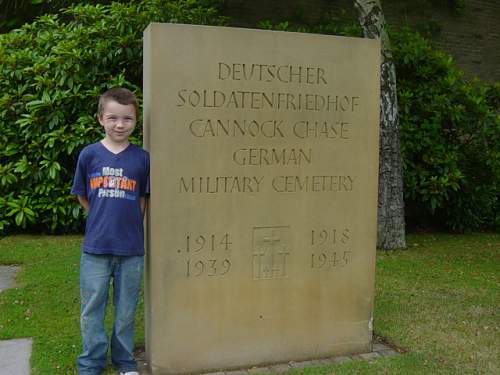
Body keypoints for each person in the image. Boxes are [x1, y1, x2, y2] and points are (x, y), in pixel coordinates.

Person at [71, 87, 150, 375]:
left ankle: (124, 361)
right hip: (96, 248)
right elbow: (82, 194)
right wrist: (100, 216)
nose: (120, 124)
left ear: (135, 120)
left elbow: (143, 198)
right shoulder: (89, 155)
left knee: (126, 310)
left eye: (127, 119)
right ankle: (91, 362)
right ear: (100, 119)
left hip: (131, 249)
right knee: (92, 308)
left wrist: (129, 222)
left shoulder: (142, 159)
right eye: (113, 118)